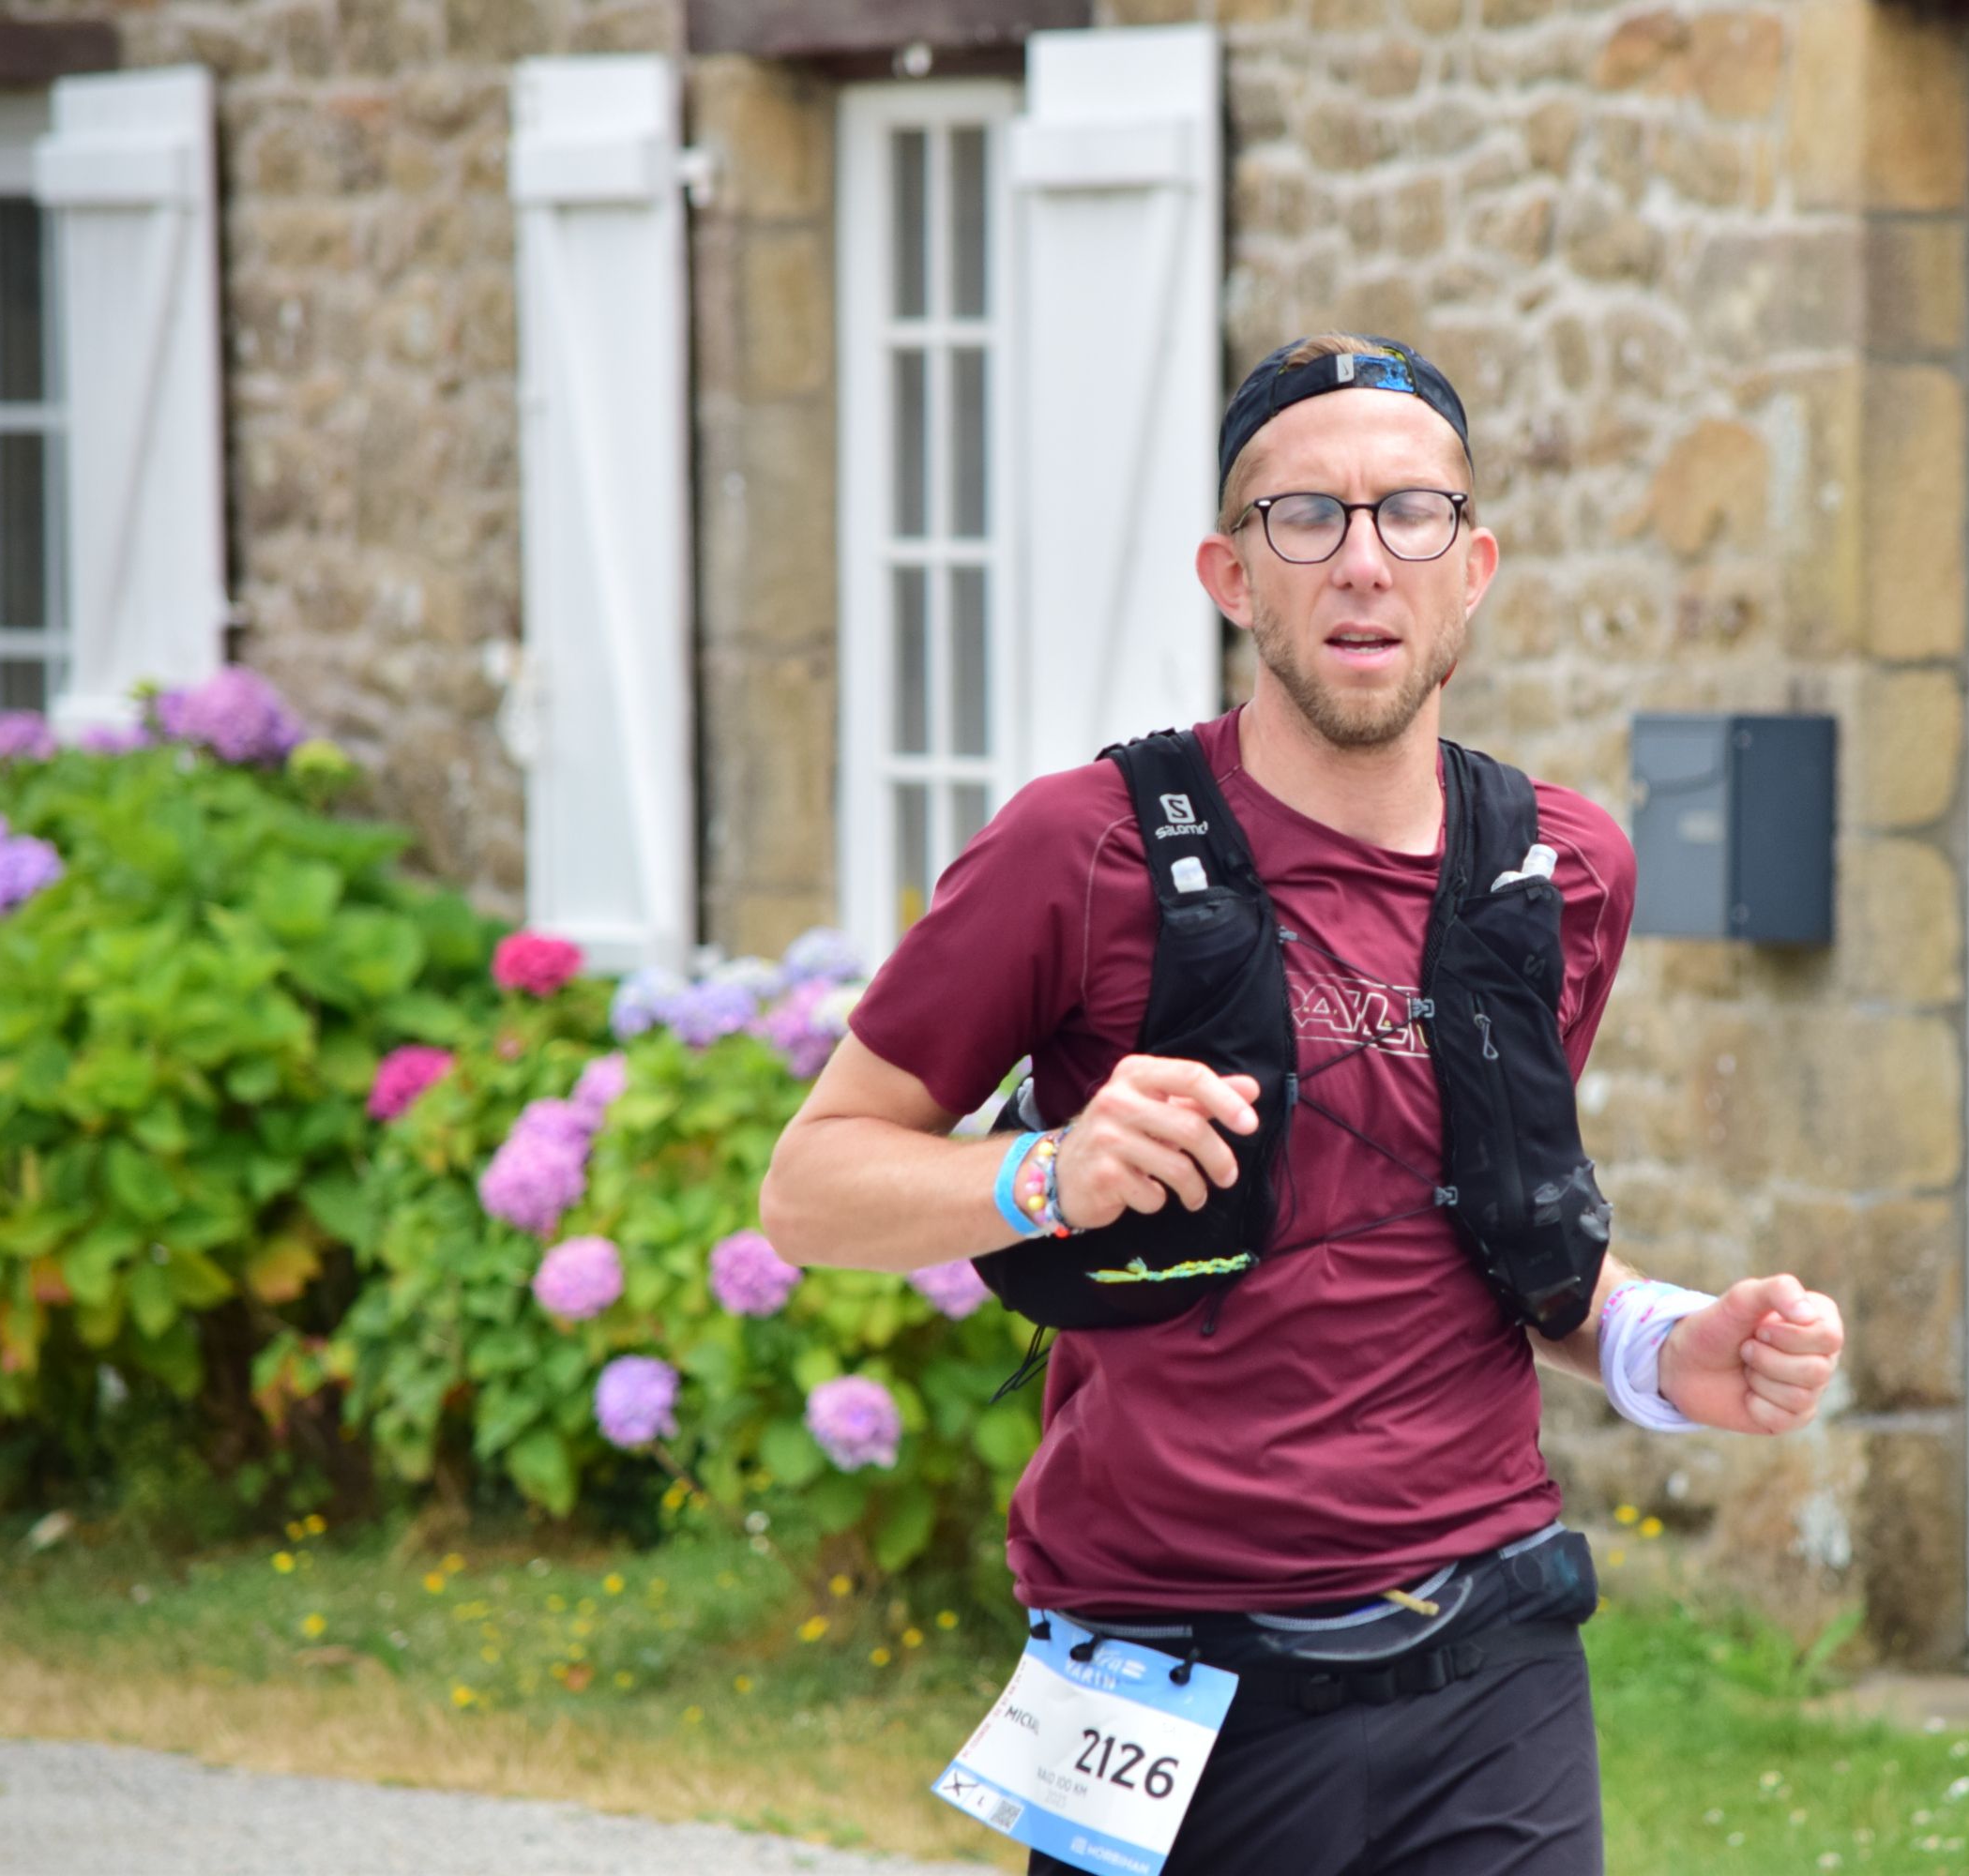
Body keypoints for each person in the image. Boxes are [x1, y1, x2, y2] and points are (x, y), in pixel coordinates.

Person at [762, 332, 1847, 1875]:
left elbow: (1487, 1224)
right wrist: (1046, 1174)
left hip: (1496, 1657)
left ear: (1473, 569)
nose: (1362, 560)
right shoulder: (1078, 849)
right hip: (1165, 1678)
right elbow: (809, 1186)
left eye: (1410, 514)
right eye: (1306, 516)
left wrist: (1658, 1345)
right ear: (1232, 575)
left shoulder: (1561, 870)